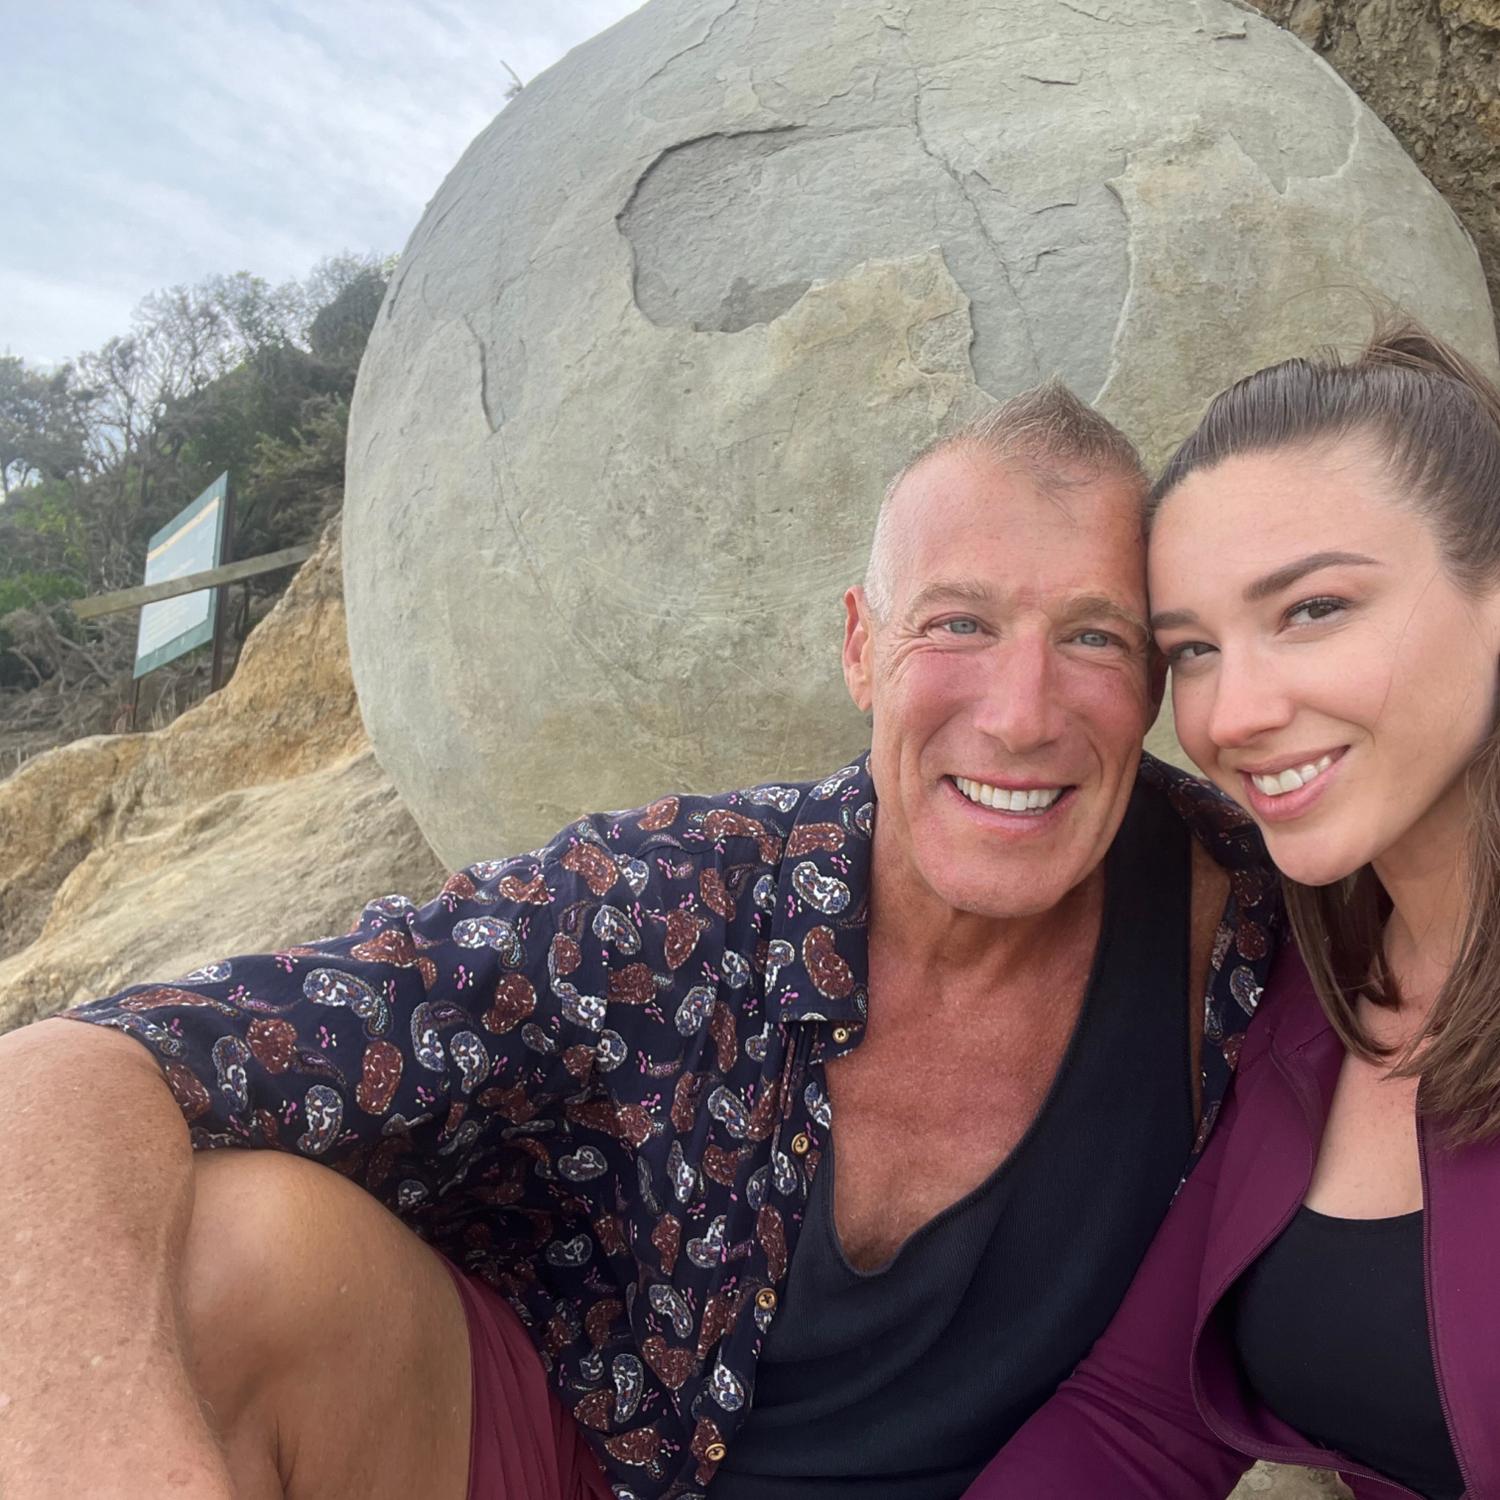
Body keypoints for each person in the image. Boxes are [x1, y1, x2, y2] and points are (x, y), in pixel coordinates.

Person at [0, 384, 1280, 1500]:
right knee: (236, 1255)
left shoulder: (1244, 933)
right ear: (859, 649)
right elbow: (72, 1073)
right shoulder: (668, 907)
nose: (1020, 712)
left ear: (1158, 685)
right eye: (956, 623)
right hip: (585, 1467)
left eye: (1094, 637)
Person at [966, 324, 1500, 1500]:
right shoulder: (1312, 992)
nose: (1234, 715)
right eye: (1193, 651)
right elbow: (1136, 1417)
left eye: (1313, 609)